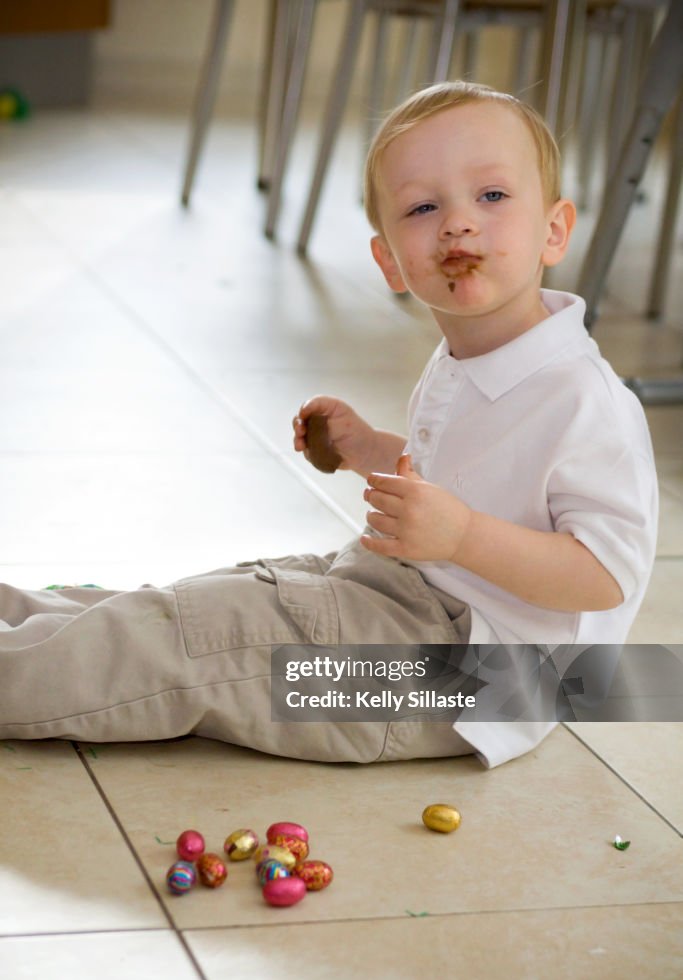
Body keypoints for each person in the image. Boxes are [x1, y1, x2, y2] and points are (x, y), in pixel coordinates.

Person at [0, 81, 658, 769]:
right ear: (388, 261)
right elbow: (488, 479)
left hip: (459, 678)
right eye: (423, 206)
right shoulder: (470, 355)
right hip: (404, 592)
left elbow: (602, 575)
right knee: (187, 606)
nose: (458, 222)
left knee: (194, 644)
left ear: (554, 228)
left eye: (491, 196)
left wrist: (461, 535)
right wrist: (369, 451)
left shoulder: (585, 401)